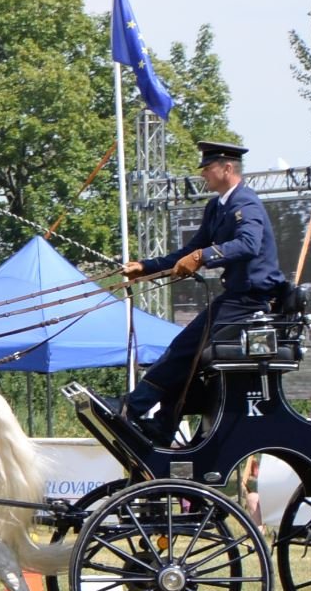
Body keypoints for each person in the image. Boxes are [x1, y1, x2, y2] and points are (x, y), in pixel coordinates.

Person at [119, 141, 287, 446]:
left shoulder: (245, 203)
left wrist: (204, 257)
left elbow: (248, 244)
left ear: (228, 168)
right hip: (236, 297)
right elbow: (189, 250)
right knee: (186, 354)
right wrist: (146, 267)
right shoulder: (217, 206)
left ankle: (133, 408)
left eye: (208, 168)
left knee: (185, 348)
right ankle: (161, 425)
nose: (204, 175)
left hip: (252, 300)